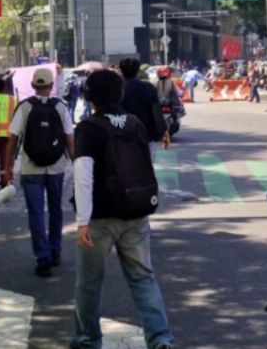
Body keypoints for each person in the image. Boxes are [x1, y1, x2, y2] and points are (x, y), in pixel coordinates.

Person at [70, 70, 175, 349]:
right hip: (135, 212)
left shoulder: (88, 127)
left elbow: (83, 175)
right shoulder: (134, 123)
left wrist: (82, 221)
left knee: (89, 282)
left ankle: (87, 340)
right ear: (120, 94)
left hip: (100, 218)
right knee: (143, 279)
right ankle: (160, 339)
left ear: (89, 97)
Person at [5, 68, 75, 277]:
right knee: (56, 209)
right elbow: (70, 141)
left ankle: (43, 257)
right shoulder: (61, 107)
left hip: (30, 167)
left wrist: (8, 168)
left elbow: (12, 140)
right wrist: (78, 166)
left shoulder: (24, 107)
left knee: (36, 213)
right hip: (56, 167)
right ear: (52, 85)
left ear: (33, 85)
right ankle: (55, 250)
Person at [120, 58, 170, 149]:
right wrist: (163, 131)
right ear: (138, 70)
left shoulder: (117, 88)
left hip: (122, 133)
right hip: (146, 133)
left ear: (121, 70)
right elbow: (157, 111)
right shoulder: (149, 87)